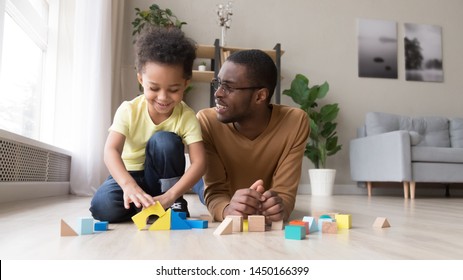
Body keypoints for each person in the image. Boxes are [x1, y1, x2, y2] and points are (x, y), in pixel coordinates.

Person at [90, 26, 205, 222]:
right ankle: (144, 204)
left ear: (185, 84)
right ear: (141, 80)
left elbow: (200, 162)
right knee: (103, 208)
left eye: (173, 89)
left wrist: (171, 195)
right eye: (153, 88)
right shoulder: (129, 110)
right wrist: (128, 185)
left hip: (164, 183)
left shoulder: (186, 116)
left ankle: (170, 202)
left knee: (164, 141)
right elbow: (111, 150)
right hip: (130, 175)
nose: (163, 97)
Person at [196, 49, 309, 224]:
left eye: (229, 87)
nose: (218, 93)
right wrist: (226, 210)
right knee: (198, 181)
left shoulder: (295, 122)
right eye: (218, 84)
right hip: (214, 187)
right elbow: (215, 191)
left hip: (257, 200)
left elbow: (285, 194)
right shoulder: (206, 121)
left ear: (260, 96)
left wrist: (279, 209)